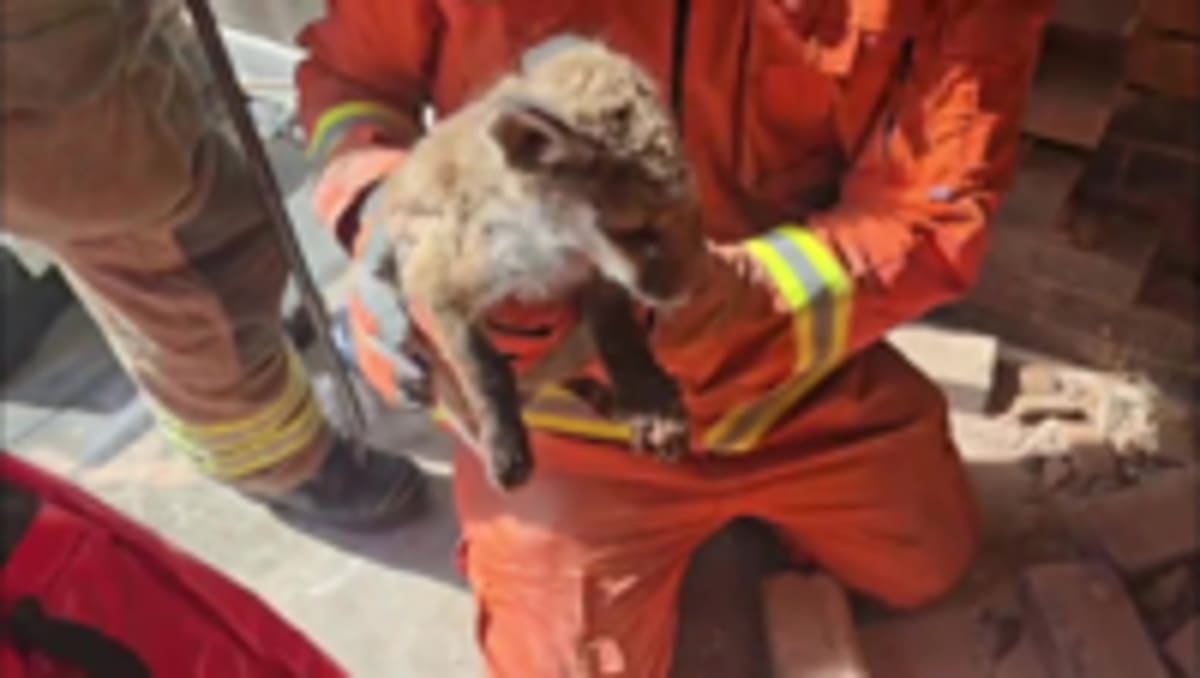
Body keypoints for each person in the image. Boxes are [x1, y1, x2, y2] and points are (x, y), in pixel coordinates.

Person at [296, 0, 1051, 675]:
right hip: (572, 414)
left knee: (927, 562)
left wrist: (745, 296)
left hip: (785, 374)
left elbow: (932, 209)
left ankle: (767, 496)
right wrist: (374, 203)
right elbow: (353, 78)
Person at [0, 1, 426, 531]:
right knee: (193, 279)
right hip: (50, 102)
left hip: (78, 49)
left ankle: (260, 347)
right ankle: (280, 463)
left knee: (198, 188)